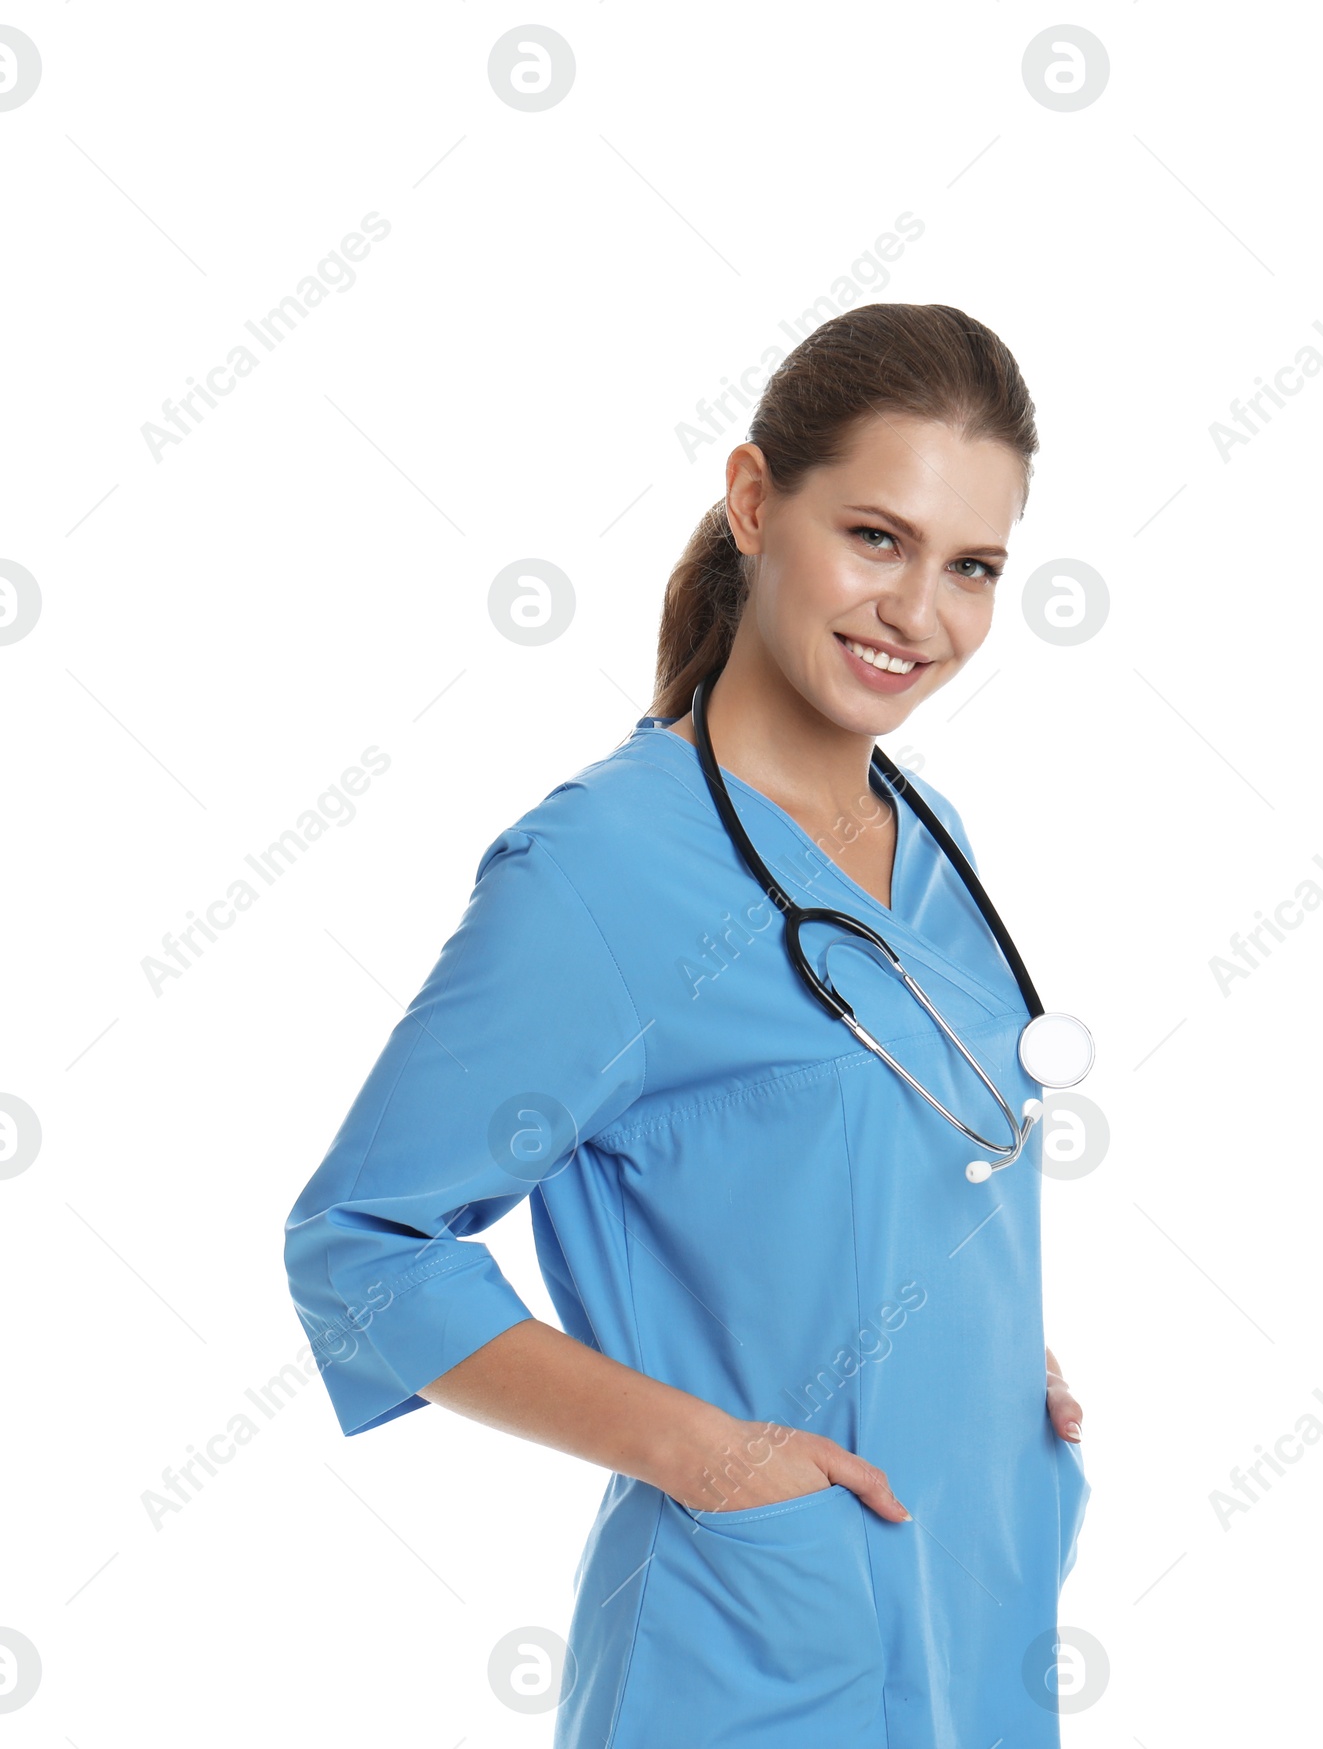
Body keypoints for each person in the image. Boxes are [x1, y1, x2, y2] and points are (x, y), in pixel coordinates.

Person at [282, 300, 1091, 1747]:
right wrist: (707, 1453)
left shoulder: (932, 835)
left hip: (976, 1616)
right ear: (753, 499)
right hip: (756, 1655)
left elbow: (882, 1161)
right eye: (877, 538)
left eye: (974, 567)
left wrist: (982, 1346)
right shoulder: (599, 871)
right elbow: (360, 1246)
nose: (923, 614)